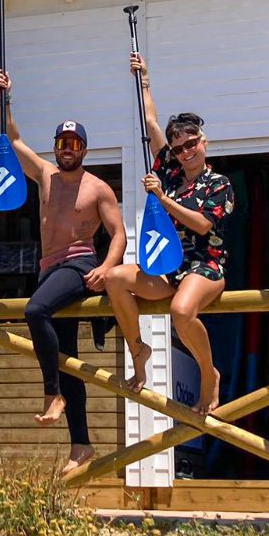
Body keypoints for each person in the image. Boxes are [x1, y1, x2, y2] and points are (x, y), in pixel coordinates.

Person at [0, 70, 126, 475]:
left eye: (74, 143)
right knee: (68, 358)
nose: (67, 149)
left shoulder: (98, 187)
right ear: (56, 147)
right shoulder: (44, 174)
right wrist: (4, 98)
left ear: (84, 148)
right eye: (61, 143)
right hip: (49, 269)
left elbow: (118, 234)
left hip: (81, 263)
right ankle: (81, 445)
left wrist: (106, 267)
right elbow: (13, 140)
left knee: (35, 312)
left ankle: (51, 394)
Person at [104, 55, 235, 416]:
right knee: (115, 278)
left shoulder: (219, 183)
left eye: (191, 143)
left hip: (206, 267)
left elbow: (203, 225)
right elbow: (150, 122)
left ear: (203, 141)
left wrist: (162, 198)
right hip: (169, 267)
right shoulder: (172, 173)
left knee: (180, 310)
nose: (185, 151)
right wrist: (144, 79)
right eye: (178, 148)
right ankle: (138, 352)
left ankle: (209, 376)